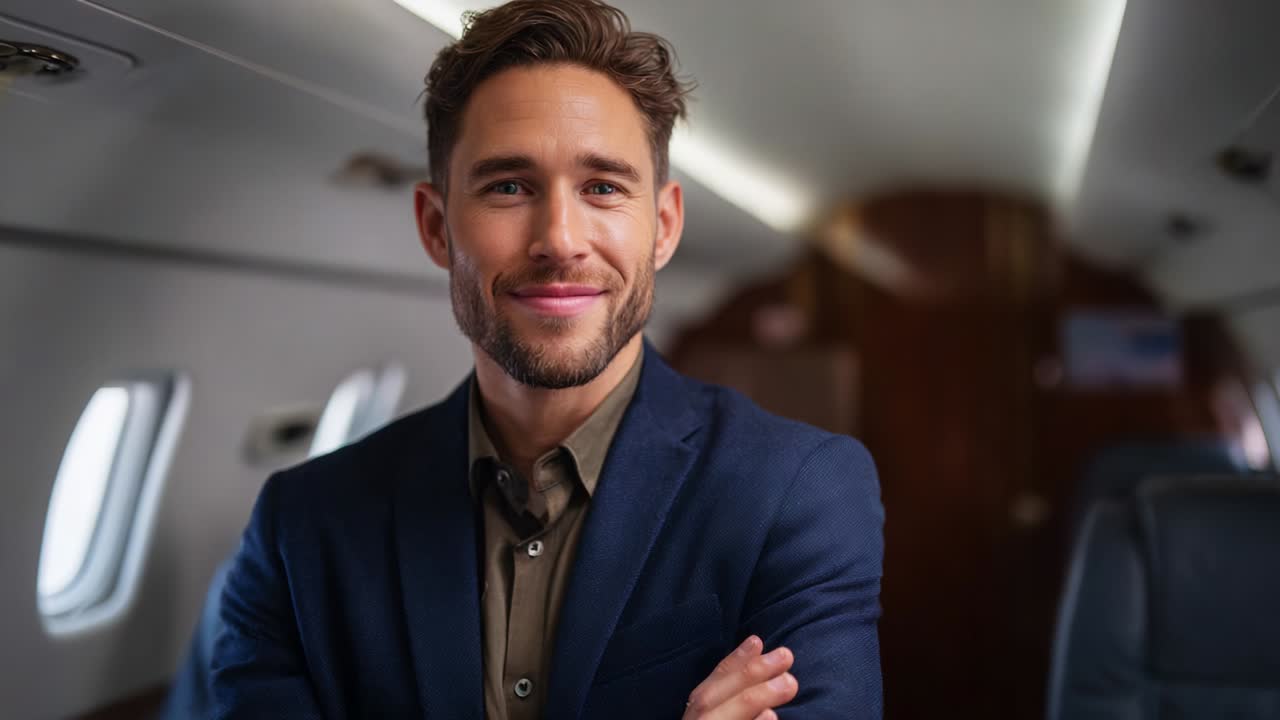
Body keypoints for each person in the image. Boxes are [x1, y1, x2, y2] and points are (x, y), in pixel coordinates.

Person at [210, 1, 883, 718]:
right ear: (437, 228)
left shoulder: (796, 493)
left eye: (602, 188)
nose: (560, 239)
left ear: (662, 227)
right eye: (509, 187)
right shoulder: (303, 527)